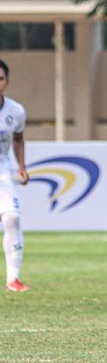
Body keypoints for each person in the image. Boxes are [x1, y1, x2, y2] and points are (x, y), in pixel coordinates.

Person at [0, 59, 30, 293]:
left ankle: (13, 279)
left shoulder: (15, 111)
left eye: (0, 78)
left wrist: (22, 166)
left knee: (12, 218)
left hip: (2, 172)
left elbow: (18, 139)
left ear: (7, 82)